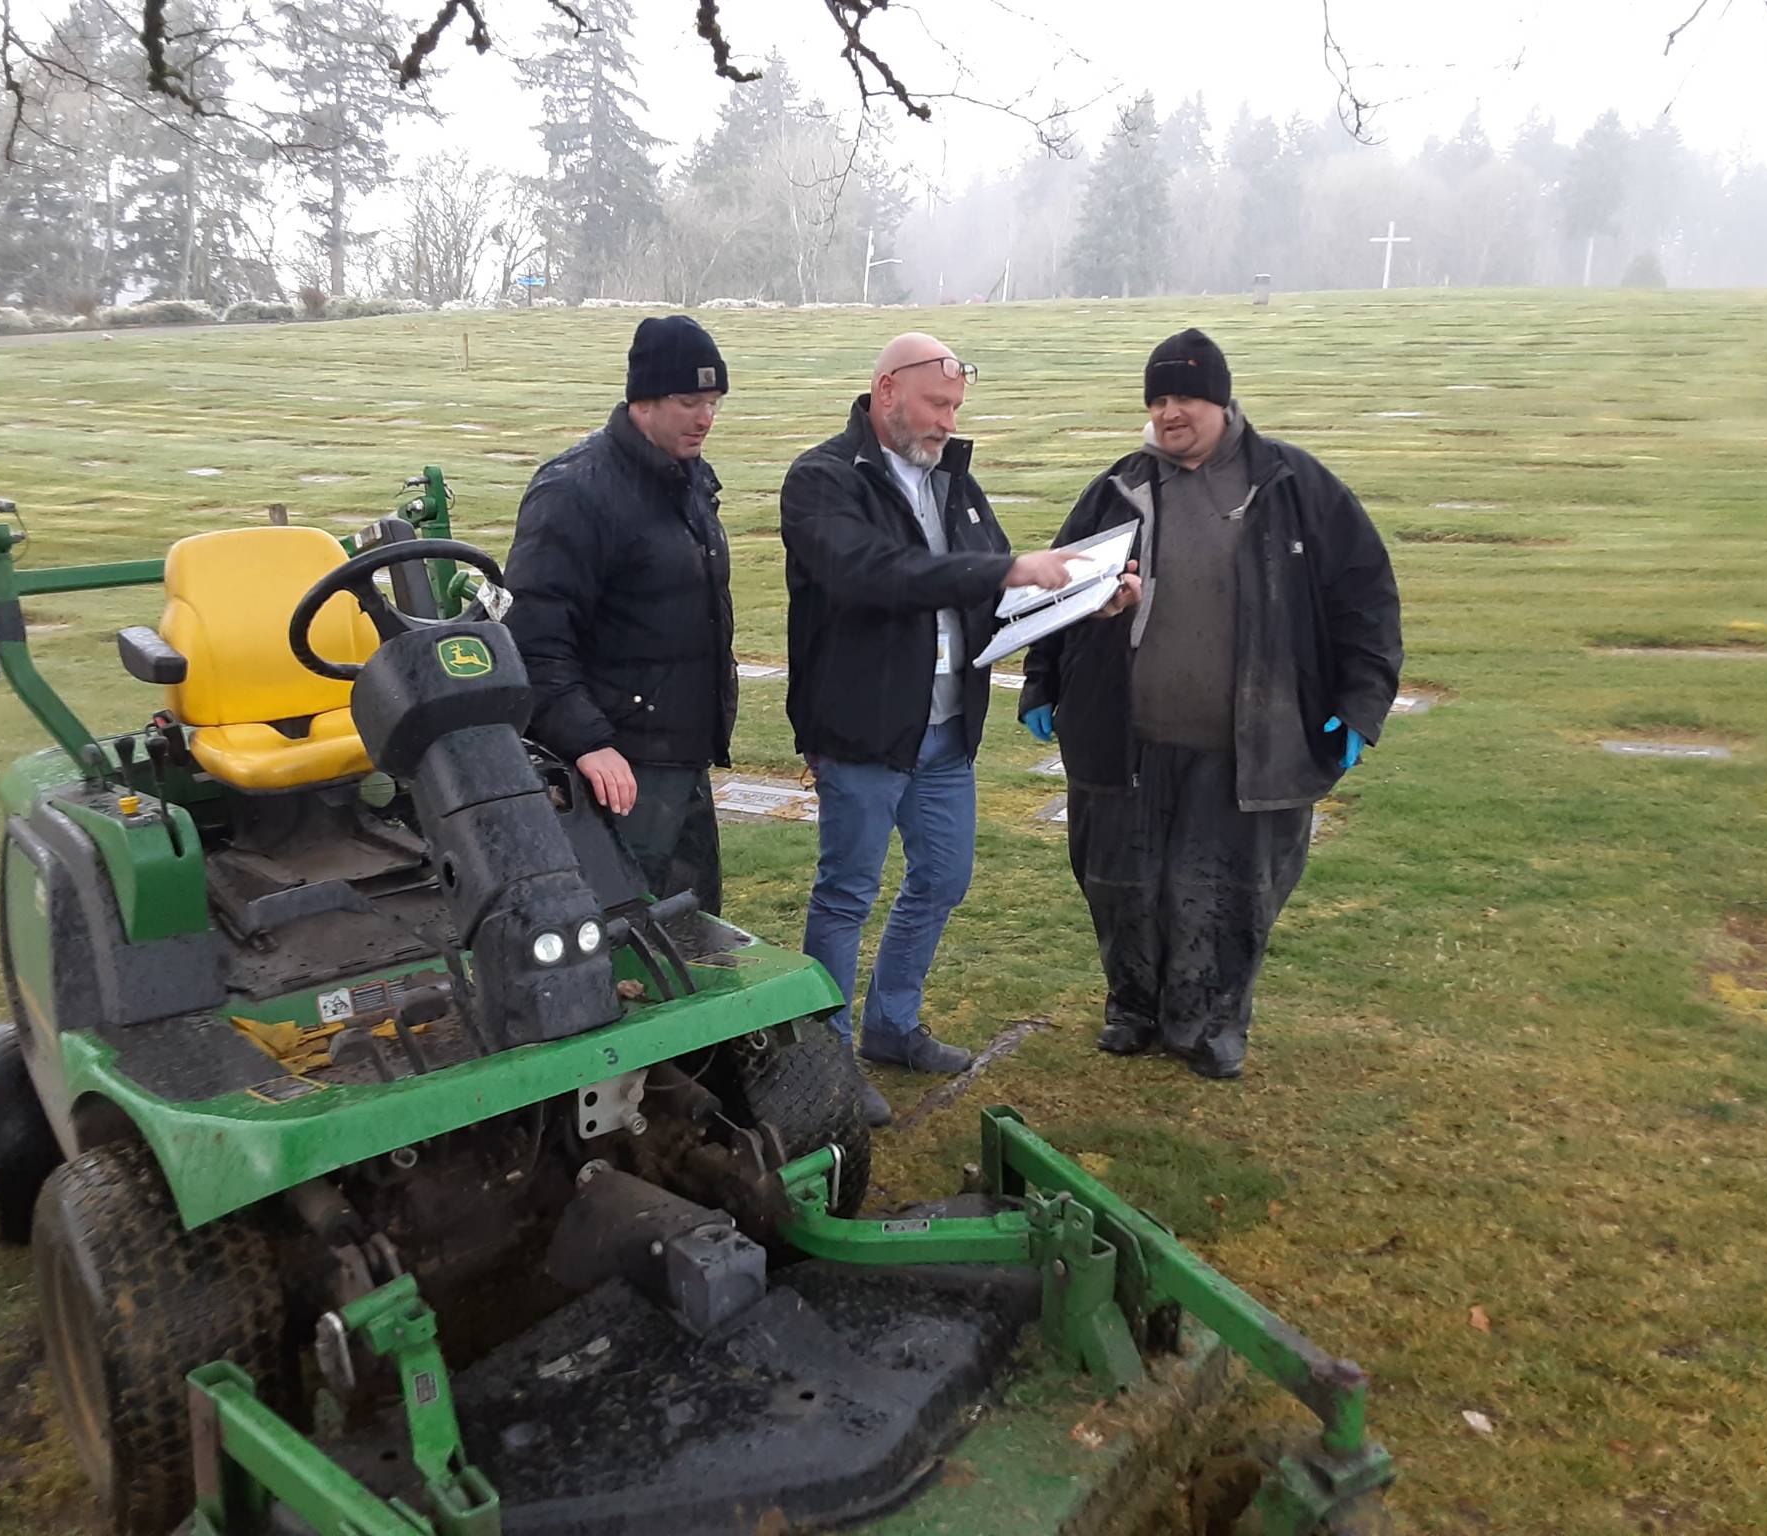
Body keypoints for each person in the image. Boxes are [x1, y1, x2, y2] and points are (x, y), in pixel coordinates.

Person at [1020, 328, 1402, 1080]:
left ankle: (1211, 1023)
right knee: (1119, 882)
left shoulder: (1294, 486)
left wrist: (1360, 709)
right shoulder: (1118, 488)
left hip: (1247, 745)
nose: (1171, 412)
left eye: (1186, 396)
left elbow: (1366, 600)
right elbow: (1057, 591)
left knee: (1226, 890)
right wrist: (1043, 681)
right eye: (1159, 398)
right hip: (1125, 741)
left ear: (1223, 400)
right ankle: (1132, 1007)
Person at [782, 332, 1076, 1126]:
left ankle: (891, 1025)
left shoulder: (956, 485)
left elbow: (996, 586)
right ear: (886, 392)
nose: (948, 421)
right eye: (937, 405)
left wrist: (1077, 601)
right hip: (864, 729)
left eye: (956, 408)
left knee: (943, 877)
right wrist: (1003, 572)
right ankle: (827, 1058)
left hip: (947, 731)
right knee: (847, 893)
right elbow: (871, 575)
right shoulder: (822, 480)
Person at [504, 314, 736, 915]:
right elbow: (533, 634)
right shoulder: (574, 492)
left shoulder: (687, 479)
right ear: (644, 400)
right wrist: (588, 742)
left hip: (683, 752)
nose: (705, 418)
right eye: (689, 401)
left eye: (712, 402)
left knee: (693, 926)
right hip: (619, 765)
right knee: (617, 930)